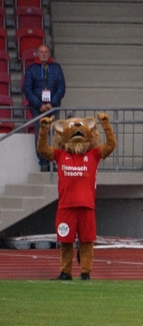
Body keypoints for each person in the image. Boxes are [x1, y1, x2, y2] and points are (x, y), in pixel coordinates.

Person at [37, 113, 117, 280]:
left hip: (86, 207)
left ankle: (85, 272)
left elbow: (111, 145)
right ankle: (65, 272)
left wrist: (106, 125)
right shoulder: (60, 155)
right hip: (66, 206)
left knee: (87, 241)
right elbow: (43, 150)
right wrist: (44, 130)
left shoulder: (93, 155)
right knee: (65, 241)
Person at [22, 44, 67, 170]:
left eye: (46, 52)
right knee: (40, 135)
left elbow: (61, 87)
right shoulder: (31, 69)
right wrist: (39, 105)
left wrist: (52, 103)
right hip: (37, 108)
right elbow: (27, 89)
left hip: (53, 107)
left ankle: (55, 161)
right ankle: (43, 163)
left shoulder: (57, 68)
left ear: (49, 54)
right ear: (37, 54)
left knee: (56, 134)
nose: (44, 54)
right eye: (41, 52)